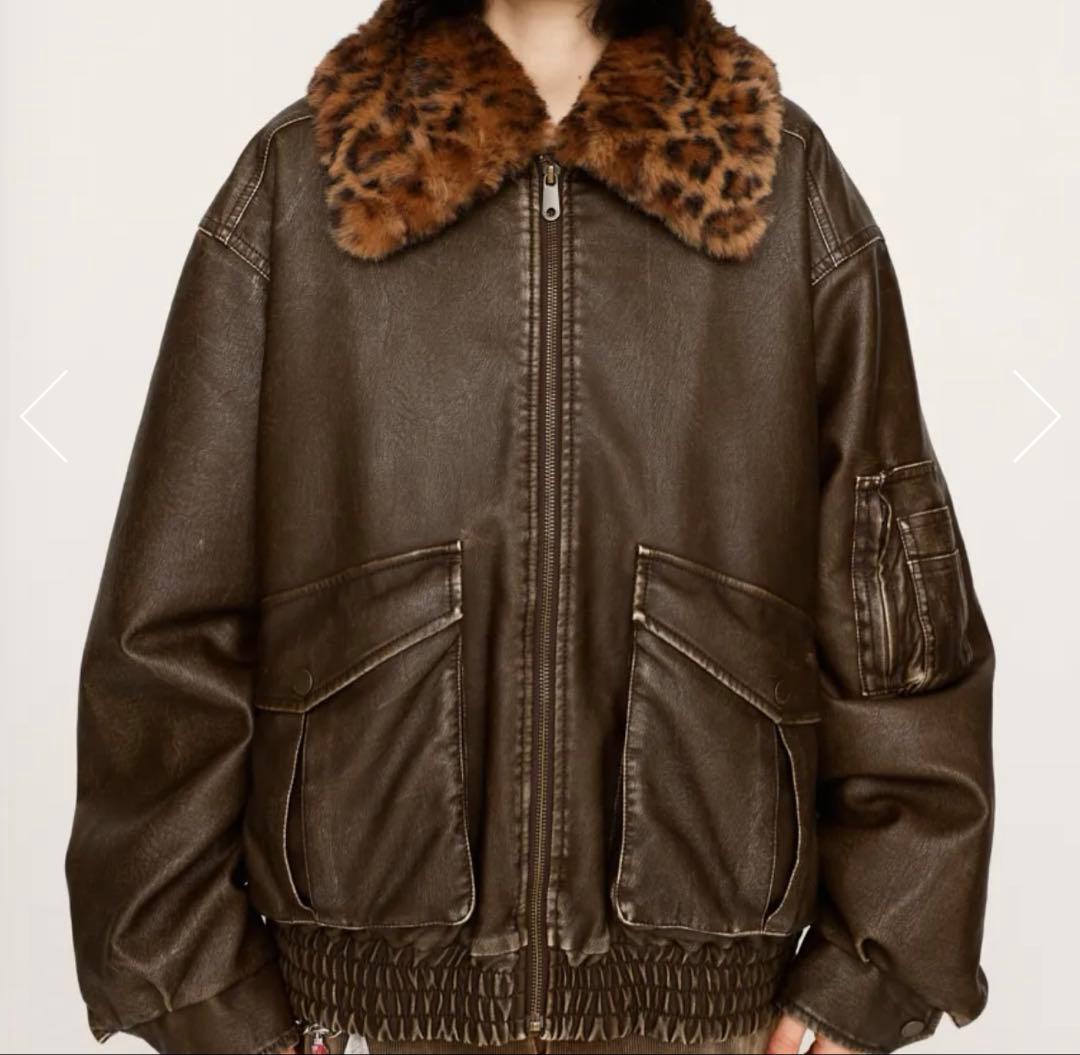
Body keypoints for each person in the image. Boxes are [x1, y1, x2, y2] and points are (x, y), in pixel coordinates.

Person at [65, 1, 995, 1053]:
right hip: (361, 1017)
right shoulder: (299, 184)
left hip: (708, 1017)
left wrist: (874, 961)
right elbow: (167, 618)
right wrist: (202, 988)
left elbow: (894, 609)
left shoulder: (784, 188)